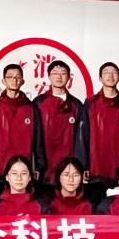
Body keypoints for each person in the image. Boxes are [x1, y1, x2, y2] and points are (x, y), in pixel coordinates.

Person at [76, 62, 119, 205]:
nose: (110, 76)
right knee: (94, 208)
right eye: (106, 73)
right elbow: (82, 136)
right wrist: (83, 165)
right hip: (95, 170)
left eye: (114, 72)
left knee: (117, 210)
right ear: (100, 78)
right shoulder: (90, 104)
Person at [0, 63, 38, 182]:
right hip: (0, 164)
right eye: (10, 77)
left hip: (25, 165)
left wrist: (38, 165)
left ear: (22, 81)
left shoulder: (31, 107)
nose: (14, 80)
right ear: (3, 81)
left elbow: (38, 139)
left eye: (18, 77)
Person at [33, 60, 84, 188]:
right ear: (49, 76)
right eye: (55, 73)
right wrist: (37, 164)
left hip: (69, 168)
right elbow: (34, 137)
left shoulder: (76, 105)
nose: (59, 76)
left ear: (69, 77)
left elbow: (81, 138)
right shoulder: (38, 103)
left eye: (63, 73)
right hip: (44, 166)